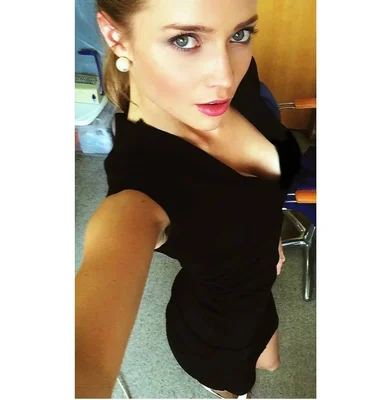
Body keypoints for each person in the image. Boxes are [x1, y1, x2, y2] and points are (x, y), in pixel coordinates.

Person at [75, 0, 301, 398]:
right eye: (184, 40)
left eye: (240, 34)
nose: (225, 76)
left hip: (259, 285)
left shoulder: (232, 80)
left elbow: (260, 195)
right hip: (215, 330)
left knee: (271, 362)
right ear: (116, 37)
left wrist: (270, 238)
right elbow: (81, 361)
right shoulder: (136, 196)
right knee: (238, 385)